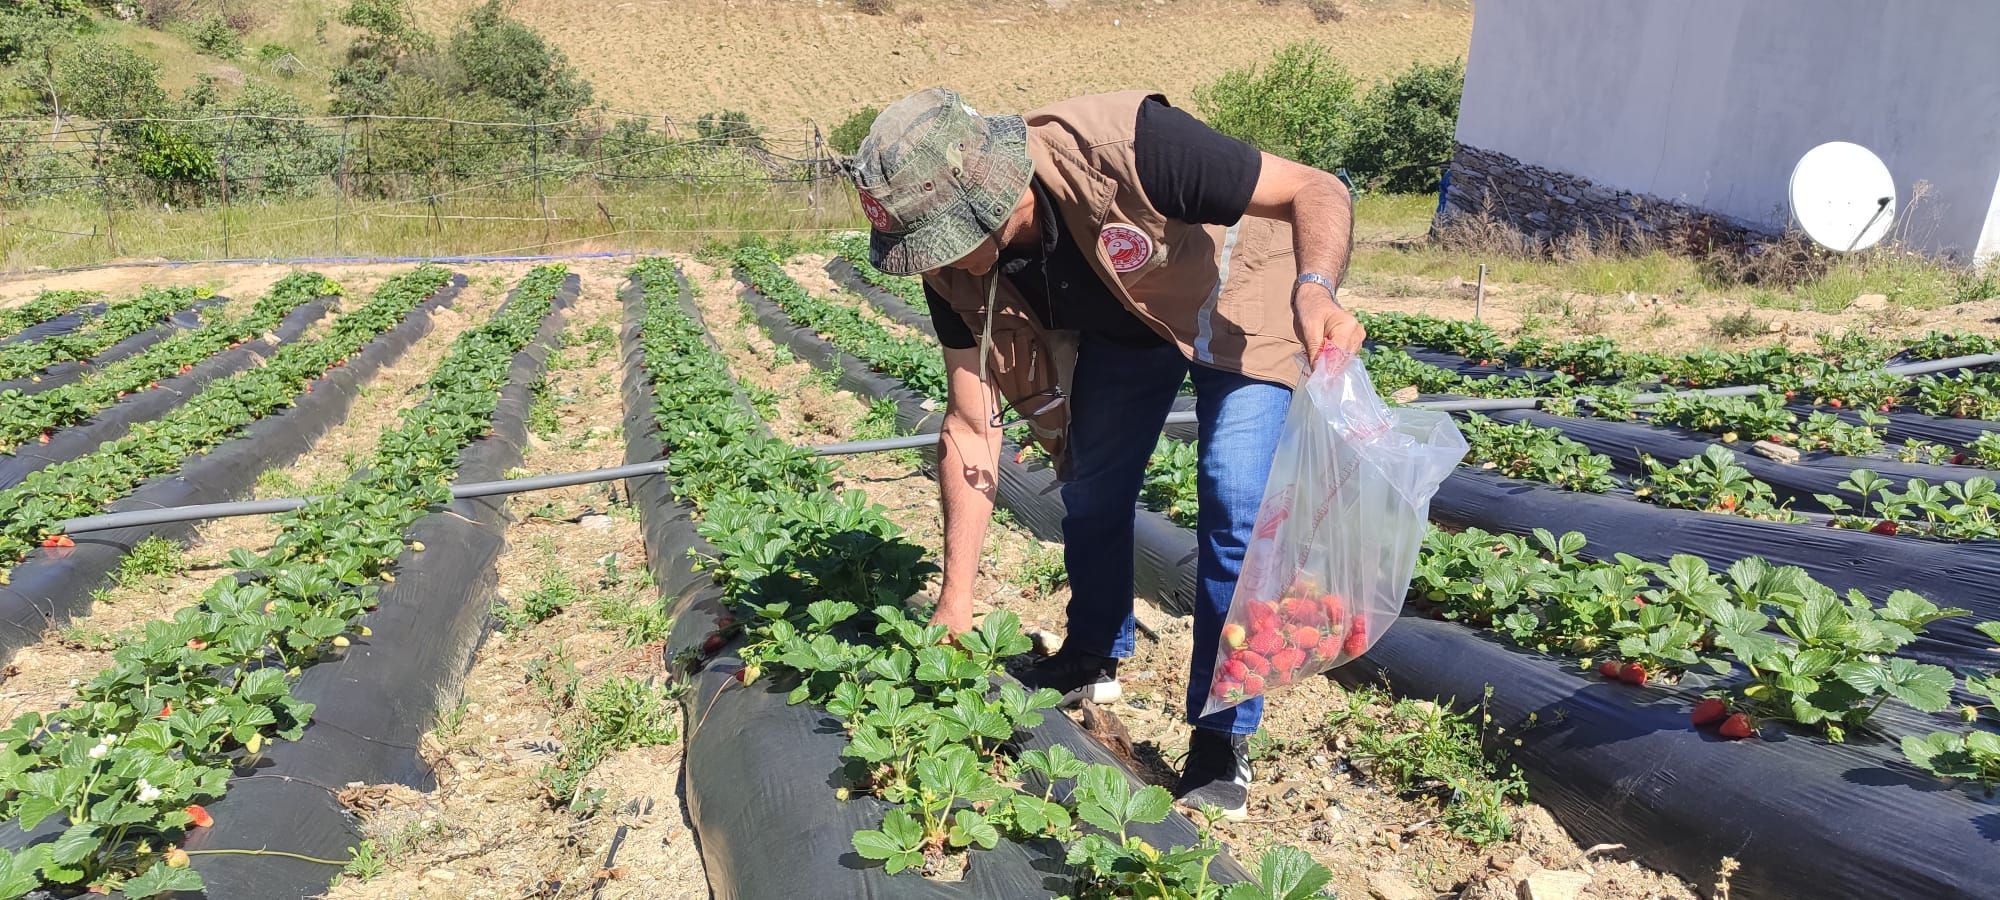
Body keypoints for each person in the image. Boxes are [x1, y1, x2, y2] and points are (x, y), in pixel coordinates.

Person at [843, 86, 1362, 819]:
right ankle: (1091, 651)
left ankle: (1222, 734)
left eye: (941, 243)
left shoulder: (1133, 147)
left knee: (1235, 501)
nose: (938, 266)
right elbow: (968, 423)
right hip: (1134, 317)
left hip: (1247, 292)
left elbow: (1318, 187)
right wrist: (954, 599)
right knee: (1090, 480)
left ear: (993, 198)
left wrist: (1315, 291)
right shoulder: (954, 270)